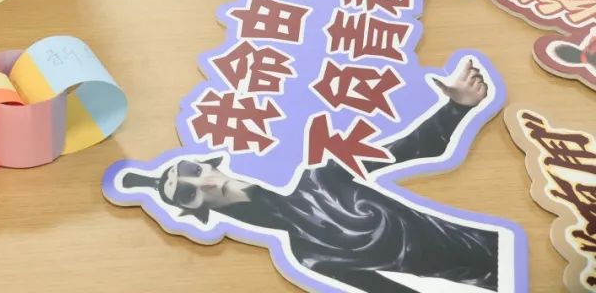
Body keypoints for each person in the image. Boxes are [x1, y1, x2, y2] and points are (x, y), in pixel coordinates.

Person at [119, 61, 506, 292]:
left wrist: (457, 107)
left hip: (499, 246)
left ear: (209, 163)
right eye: (188, 194)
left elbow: (414, 148)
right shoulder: (309, 257)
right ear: (198, 210)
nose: (202, 183)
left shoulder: (321, 176)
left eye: (192, 171)